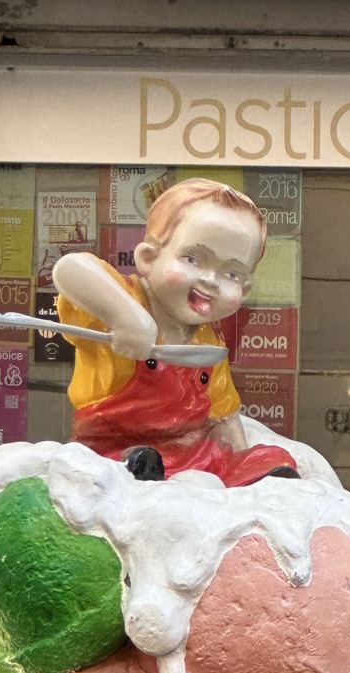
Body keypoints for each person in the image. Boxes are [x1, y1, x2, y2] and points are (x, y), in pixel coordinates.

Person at [53, 178, 298, 484]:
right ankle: (136, 470)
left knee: (269, 457)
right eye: (192, 259)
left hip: (193, 453)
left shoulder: (208, 345)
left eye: (232, 274)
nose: (210, 281)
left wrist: (239, 456)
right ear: (148, 258)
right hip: (110, 446)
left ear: (244, 290)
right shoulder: (121, 302)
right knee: (127, 464)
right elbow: (70, 269)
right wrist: (127, 318)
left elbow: (224, 415)